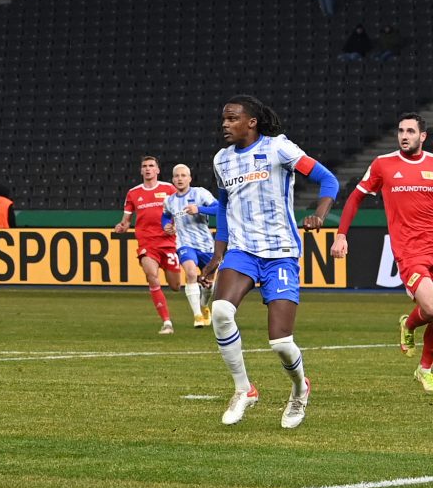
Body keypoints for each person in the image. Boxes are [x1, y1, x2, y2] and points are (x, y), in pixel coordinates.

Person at [200, 95, 338, 428]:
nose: (225, 124)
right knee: (219, 311)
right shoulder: (223, 160)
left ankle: (299, 388)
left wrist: (319, 215)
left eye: (232, 118)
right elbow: (223, 206)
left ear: (252, 122)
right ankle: (244, 389)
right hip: (242, 251)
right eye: (223, 119)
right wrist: (218, 254)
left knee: (280, 342)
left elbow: (328, 180)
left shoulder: (280, 149)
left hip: (281, 254)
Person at [332, 114, 433, 393]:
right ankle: (419, 349)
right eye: (401, 130)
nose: (404, 135)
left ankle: (420, 356)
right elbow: (355, 197)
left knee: (431, 310)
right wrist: (341, 234)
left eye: (411, 131)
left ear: (422, 136)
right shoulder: (384, 164)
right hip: (409, 252)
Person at [114, 156, 180, 335]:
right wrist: (122, 227)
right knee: (152, 276)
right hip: (147, 243)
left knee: (175, 286)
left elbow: (180, 212)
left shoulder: (169, 189)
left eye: (151, 166)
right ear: (141, 170)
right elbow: (126, 221)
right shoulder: (133, 193)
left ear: (158, 170)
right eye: (145, 166)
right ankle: (167, 322)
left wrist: (174, 226)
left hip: (168, 243)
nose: (148, 169)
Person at [162, 164, 218, 328]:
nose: (179, 179)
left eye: (183, 175)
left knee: (209, 282)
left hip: (206, 244)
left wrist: (199, 209)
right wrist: (166, 225)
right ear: (173, 179)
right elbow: (165, 217)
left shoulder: (200, 193)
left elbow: (219, 208)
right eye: (176, 176)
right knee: (191, 273)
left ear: (189, 178)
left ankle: (204, 306)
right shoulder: (169, 200)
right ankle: (197, 315)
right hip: (184, 243)